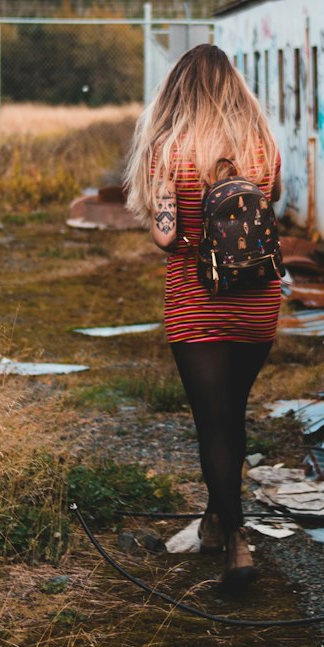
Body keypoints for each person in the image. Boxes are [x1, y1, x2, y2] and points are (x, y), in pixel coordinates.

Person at [125, 45, 282, 589]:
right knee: (233, 414)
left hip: (198, 301)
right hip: (259, 300)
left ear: (180, 90)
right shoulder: (261, 147)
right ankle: (217, 523)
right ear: (232, 87)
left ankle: (237, 541)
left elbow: (167, 239)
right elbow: (271, 205)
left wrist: (180, 220)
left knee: (212, 422)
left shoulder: (168, 151)